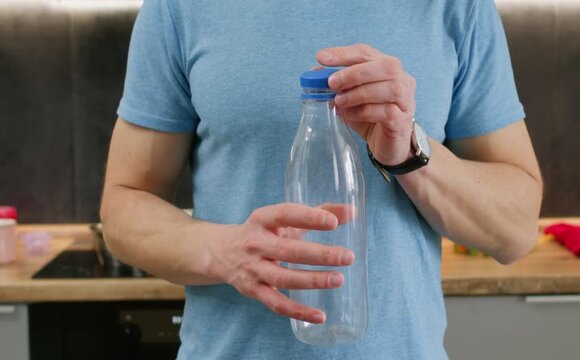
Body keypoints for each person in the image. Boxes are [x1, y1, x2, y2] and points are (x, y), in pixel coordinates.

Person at [100, 0, 543, 358]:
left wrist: (410, 149)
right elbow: (124, 206)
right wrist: (226, 252)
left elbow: (516, 230)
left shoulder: (457, 7)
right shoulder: (179, 7)